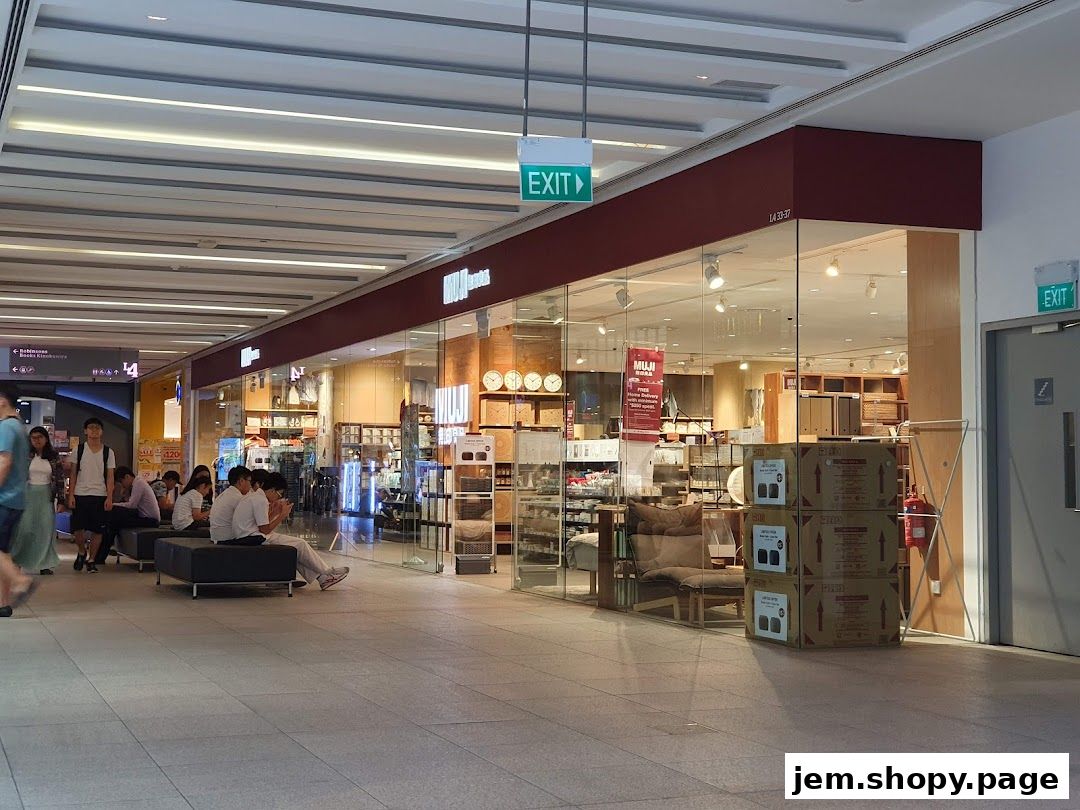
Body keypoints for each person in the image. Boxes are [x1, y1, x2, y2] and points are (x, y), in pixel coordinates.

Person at [231, 471, 348, 590]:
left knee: (294, 549)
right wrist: (282, 515)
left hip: (247, 535)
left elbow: (261, 525)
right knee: (300, 544)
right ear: (272, 490)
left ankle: (323, 578)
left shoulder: (254, 497)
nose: (278, 497)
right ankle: (327, 572)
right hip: (253, 538)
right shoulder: (260, 500)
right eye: (279, 494)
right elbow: (265, 529)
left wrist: (276, 513)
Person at [10, 427, 64, 575]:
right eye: (33, 438)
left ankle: (44, 563)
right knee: (24, 529)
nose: (37, 440)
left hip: (46, 495)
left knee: (45, 529)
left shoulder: (53, 456)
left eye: (40, 437)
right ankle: (19, 560)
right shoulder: (26, 455)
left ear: (46, 438)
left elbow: (59, 479)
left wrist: (61, 500)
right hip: (28, 495)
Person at [0, 383, 34, 617]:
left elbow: (4, 461)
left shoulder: (6, 427)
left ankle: (22, 581)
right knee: (3, 553)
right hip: (17, 499)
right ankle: (3, 602)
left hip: (3, 497)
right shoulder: (20, 427)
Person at [67, 417, 115, 573]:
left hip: (99, 494)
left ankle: (92, 559)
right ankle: (82, 551)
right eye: (91, 427)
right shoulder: (79, 450)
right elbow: (73, 474)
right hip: (80, 493)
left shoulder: (108, 452)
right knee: (77, 529)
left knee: (98, 530)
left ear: (101, 431)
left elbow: (110, 476)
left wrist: (109, 497)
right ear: (85, 431)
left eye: (97, 428)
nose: (94, 431)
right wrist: (71, 494)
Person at [98, 467, 161, 565]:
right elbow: (130, 503)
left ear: (127, 477)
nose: (122, 484)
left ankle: (101, 554)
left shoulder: (139, 483)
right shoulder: (137, 484)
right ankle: (102, 554)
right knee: (113, 520)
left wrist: (112, 504)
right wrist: (124, 494)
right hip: (143, 517)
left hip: (150, 520)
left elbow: (131, 505)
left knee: (114, 520)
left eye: (121, 481)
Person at [208, 465, 252, 543]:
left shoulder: (224, 494)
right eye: (249, 481)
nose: (250, 485)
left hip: (216, 537)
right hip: (227, 539)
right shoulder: (238, 498)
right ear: (241, 481)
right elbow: (248, 523)